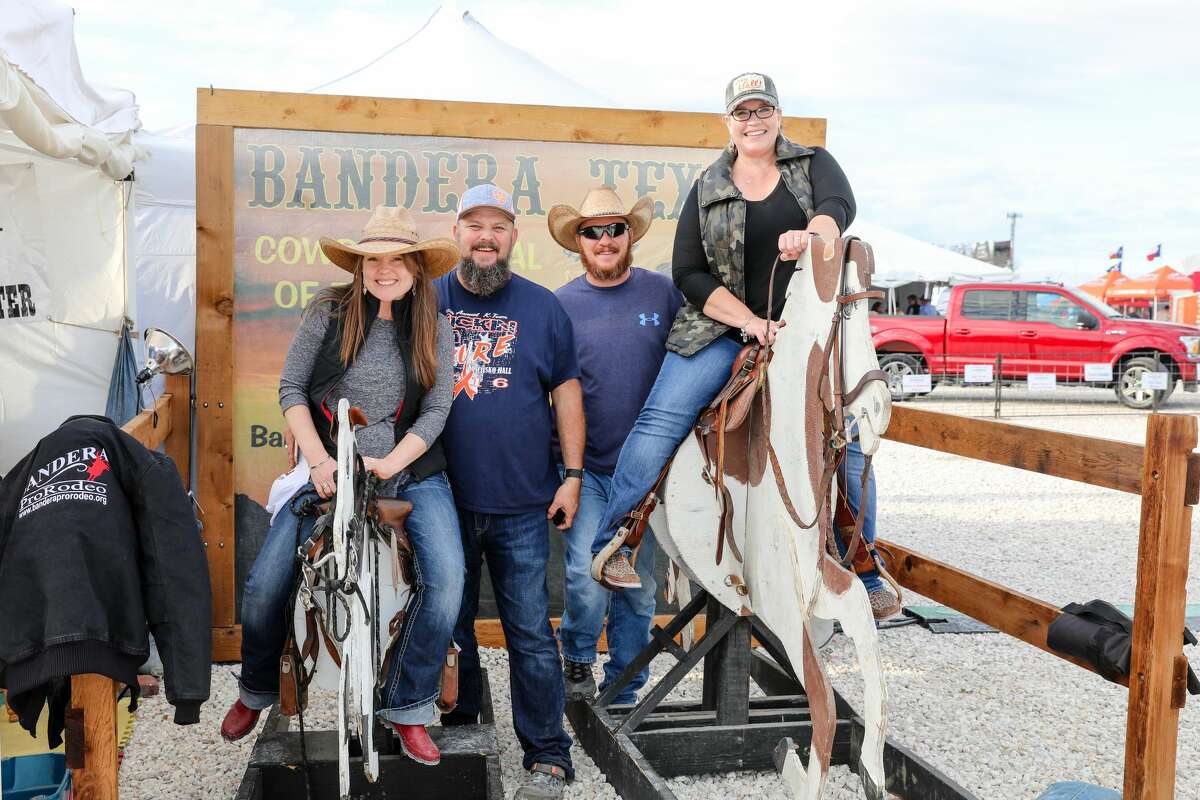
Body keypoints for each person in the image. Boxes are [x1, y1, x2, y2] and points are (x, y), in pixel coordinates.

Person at [589, 72, 857, 588]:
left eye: (762, 110)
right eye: (742, 112)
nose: (753, 121)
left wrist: (812, 236)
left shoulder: (813, 164)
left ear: (779, 115)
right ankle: (616, 540)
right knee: (660, 420)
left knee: (850, 429)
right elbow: (687, 271)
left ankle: (861, 567)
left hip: (801, 328)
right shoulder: (707, 186)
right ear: (727, 123)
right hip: (718, 329)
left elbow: (838, 209)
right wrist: (750, 322)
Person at [221, 207, 465, 769]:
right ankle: (258, 689)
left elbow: (437, 407)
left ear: (414, 266)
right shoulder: (328, 312)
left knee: (448, 578)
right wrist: (318, 461)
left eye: (396, 259)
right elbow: (291, 388)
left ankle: (408, 706)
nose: (384, 270)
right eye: (373, 259)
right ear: (359, 265)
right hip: (331, 464)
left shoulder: (434, 324)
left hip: (411, 469)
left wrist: (393, 462)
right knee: (264, 586)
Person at [436, 183, 581, 799]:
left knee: (529, 632)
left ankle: (547, 752)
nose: (486, 237)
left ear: (513, 237)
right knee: (449, 623)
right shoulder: (425, 297)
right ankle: (462, 729)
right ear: (457, 234)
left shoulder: (544, 307)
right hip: (440, 500)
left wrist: (572, 477)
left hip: (524, 501)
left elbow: (567, 390)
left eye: (498, 226)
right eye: (474, 225)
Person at [546, 186, 684, 704]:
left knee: (640, 586)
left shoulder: (663, 294)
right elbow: (549, 392)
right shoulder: (559, 305)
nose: (605, 239)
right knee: (584, 573)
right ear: (577, 242)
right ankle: (578, 661)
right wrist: (563, 472)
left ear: (630, 236)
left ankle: (627, 682)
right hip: (588, 469)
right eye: (592, 231)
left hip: (649, 473)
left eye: (614, 229)